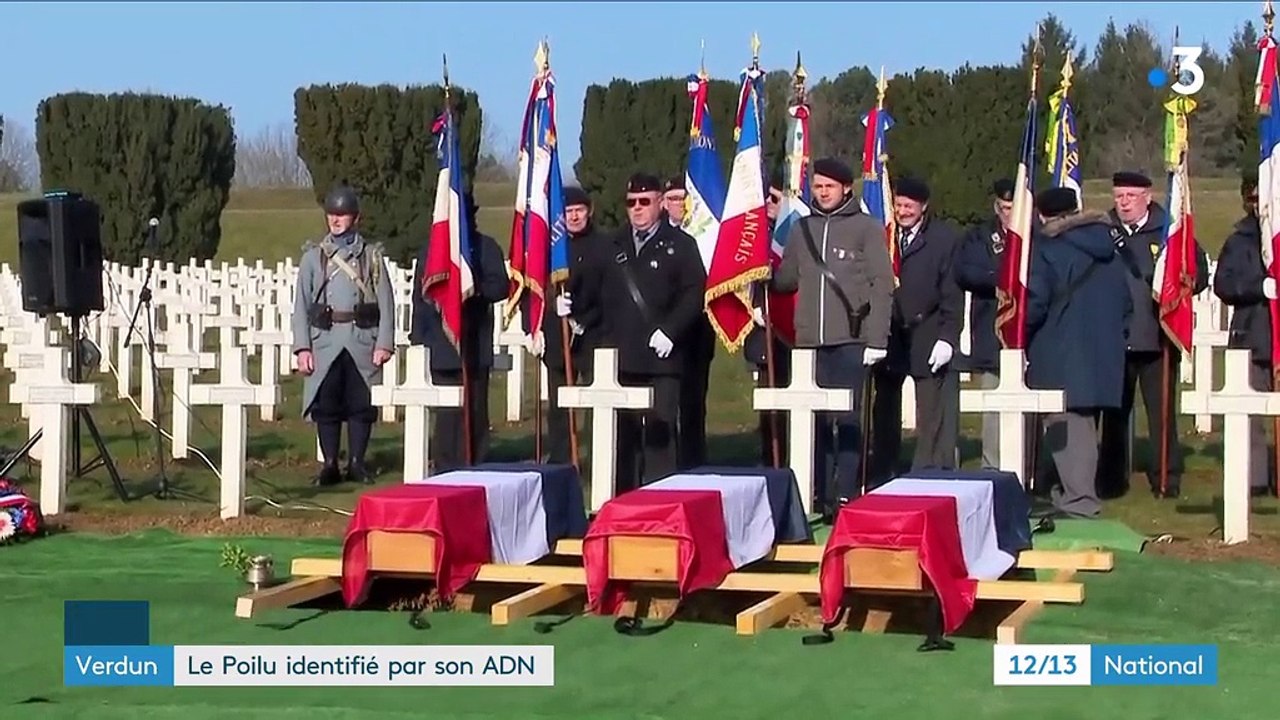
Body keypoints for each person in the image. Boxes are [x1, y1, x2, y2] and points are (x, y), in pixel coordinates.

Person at [771, 157, 895, 518]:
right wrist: (764, 275)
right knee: (817, 422)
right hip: (809, 341)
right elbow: (788, 279)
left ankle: (846, 493)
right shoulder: (801, 229)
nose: (822, 192)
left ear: (845, 188)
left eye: (829, 186)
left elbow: (881, 284)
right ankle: (819, 494)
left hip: (851, 339)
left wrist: (878, 338)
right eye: (818, 186)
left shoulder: (866, 228)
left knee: (848, 418)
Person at [1098, 171, 1210, 499]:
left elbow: (1195, 271)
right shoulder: (1104, 231)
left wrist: (1180, 287)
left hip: (1157, 337)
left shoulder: (1168, 232)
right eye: (1119, 196)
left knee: (1161, 415)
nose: (1123, 203)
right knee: (1114, 414)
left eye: (1130, 197)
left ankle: (1166, 477)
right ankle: (1110, 480)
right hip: (1116, 338)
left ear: (1147, 196)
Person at [1024, 187, 1131, 519]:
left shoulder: (1048, 250)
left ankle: (1080, 500)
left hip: (1060, 348)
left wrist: (1015, 329)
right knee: (1083, 424)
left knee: (1066, 424)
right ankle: (1071, 494)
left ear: (1043, 215)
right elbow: (1126, 301)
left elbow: (1036, 302)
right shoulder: (1110, 248)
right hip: (1101, 349)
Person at [593, 172, 706, 489]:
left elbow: (694, 293)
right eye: (631, 203)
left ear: (660, 203)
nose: (637, 209)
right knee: (623, 438)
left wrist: (671, 331)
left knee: (660, 436)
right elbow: (594, 292)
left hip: (662, 359)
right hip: (622, 357)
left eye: (645, 202)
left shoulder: (681, 245)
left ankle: (660, 500)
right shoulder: (611, 245)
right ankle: (623, 501)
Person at [291, 184, 396, 486]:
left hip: (362, 340)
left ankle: (357, 463)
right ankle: (330, 465)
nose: (336, 220)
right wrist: (302, 348)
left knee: (361, 406)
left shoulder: (371, 258)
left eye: (343, 214)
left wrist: (384, 343)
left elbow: (386, 302)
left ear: (355, 218)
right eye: (332, 214)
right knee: (327, 406)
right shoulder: (313, 258)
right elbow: (302, 304)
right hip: (324, 341)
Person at [870, 176, 964, 482]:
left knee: (930, 410)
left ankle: (926, 471)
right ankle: (883, 471)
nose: (902, 211)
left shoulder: (943, 240)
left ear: (923, 207)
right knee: (884, 406)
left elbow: (952, 291)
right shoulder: (884, 234)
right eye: (898, 205)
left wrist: (948, 337)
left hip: (928, 329)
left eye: (909, 206)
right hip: (890, 331)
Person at [409, 191, 508, 471]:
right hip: (441, 344)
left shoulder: (485, 247)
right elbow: (421, 296)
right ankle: (445, 467)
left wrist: (470, 289)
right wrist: (419, 338)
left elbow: (500, 286)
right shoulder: (431, 251)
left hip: (474, 342)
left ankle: (474, 466)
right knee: (447, 415)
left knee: (474, 412)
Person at [1212, 174, 1278, 497]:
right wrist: (1257, 288)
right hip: (1251, 334)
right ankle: (1254, 478)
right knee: (1249, 418)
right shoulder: (1239, 239)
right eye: (1253, 199)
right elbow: (1222, 284)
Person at [543, 186, 608, 464]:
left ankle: (598, 458)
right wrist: (545, 316)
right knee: (559, 405)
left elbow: (609, 291)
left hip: (595, 334)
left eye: (579, 210)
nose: (574, 216)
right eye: (568, 212)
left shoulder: (604, 246)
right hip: (559, 338)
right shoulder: (551, 247)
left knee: (597, 400)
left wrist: (584, 319)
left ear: (589, 211)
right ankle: (561, 459)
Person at [955, 178, 1015, 469]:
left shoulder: (1038, 235)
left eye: (1015, 207)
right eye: (1005, 208)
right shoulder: (980, 236)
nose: (1010, 214)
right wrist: (1005, 281)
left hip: (1030, 335)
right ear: (997, 207)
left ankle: (1031, 468)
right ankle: (992, 466)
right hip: (992, 333)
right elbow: (968, 272)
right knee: (994, 406)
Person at [745, 175, 793, 467]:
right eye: (765, 198)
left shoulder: (797, 230)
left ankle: (796, 459)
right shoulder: (754, 234)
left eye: (775, 198)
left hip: (793, 326)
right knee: (768, 401)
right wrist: (752, 305)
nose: (768, 204)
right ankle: (770, 458)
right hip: (765, 329)